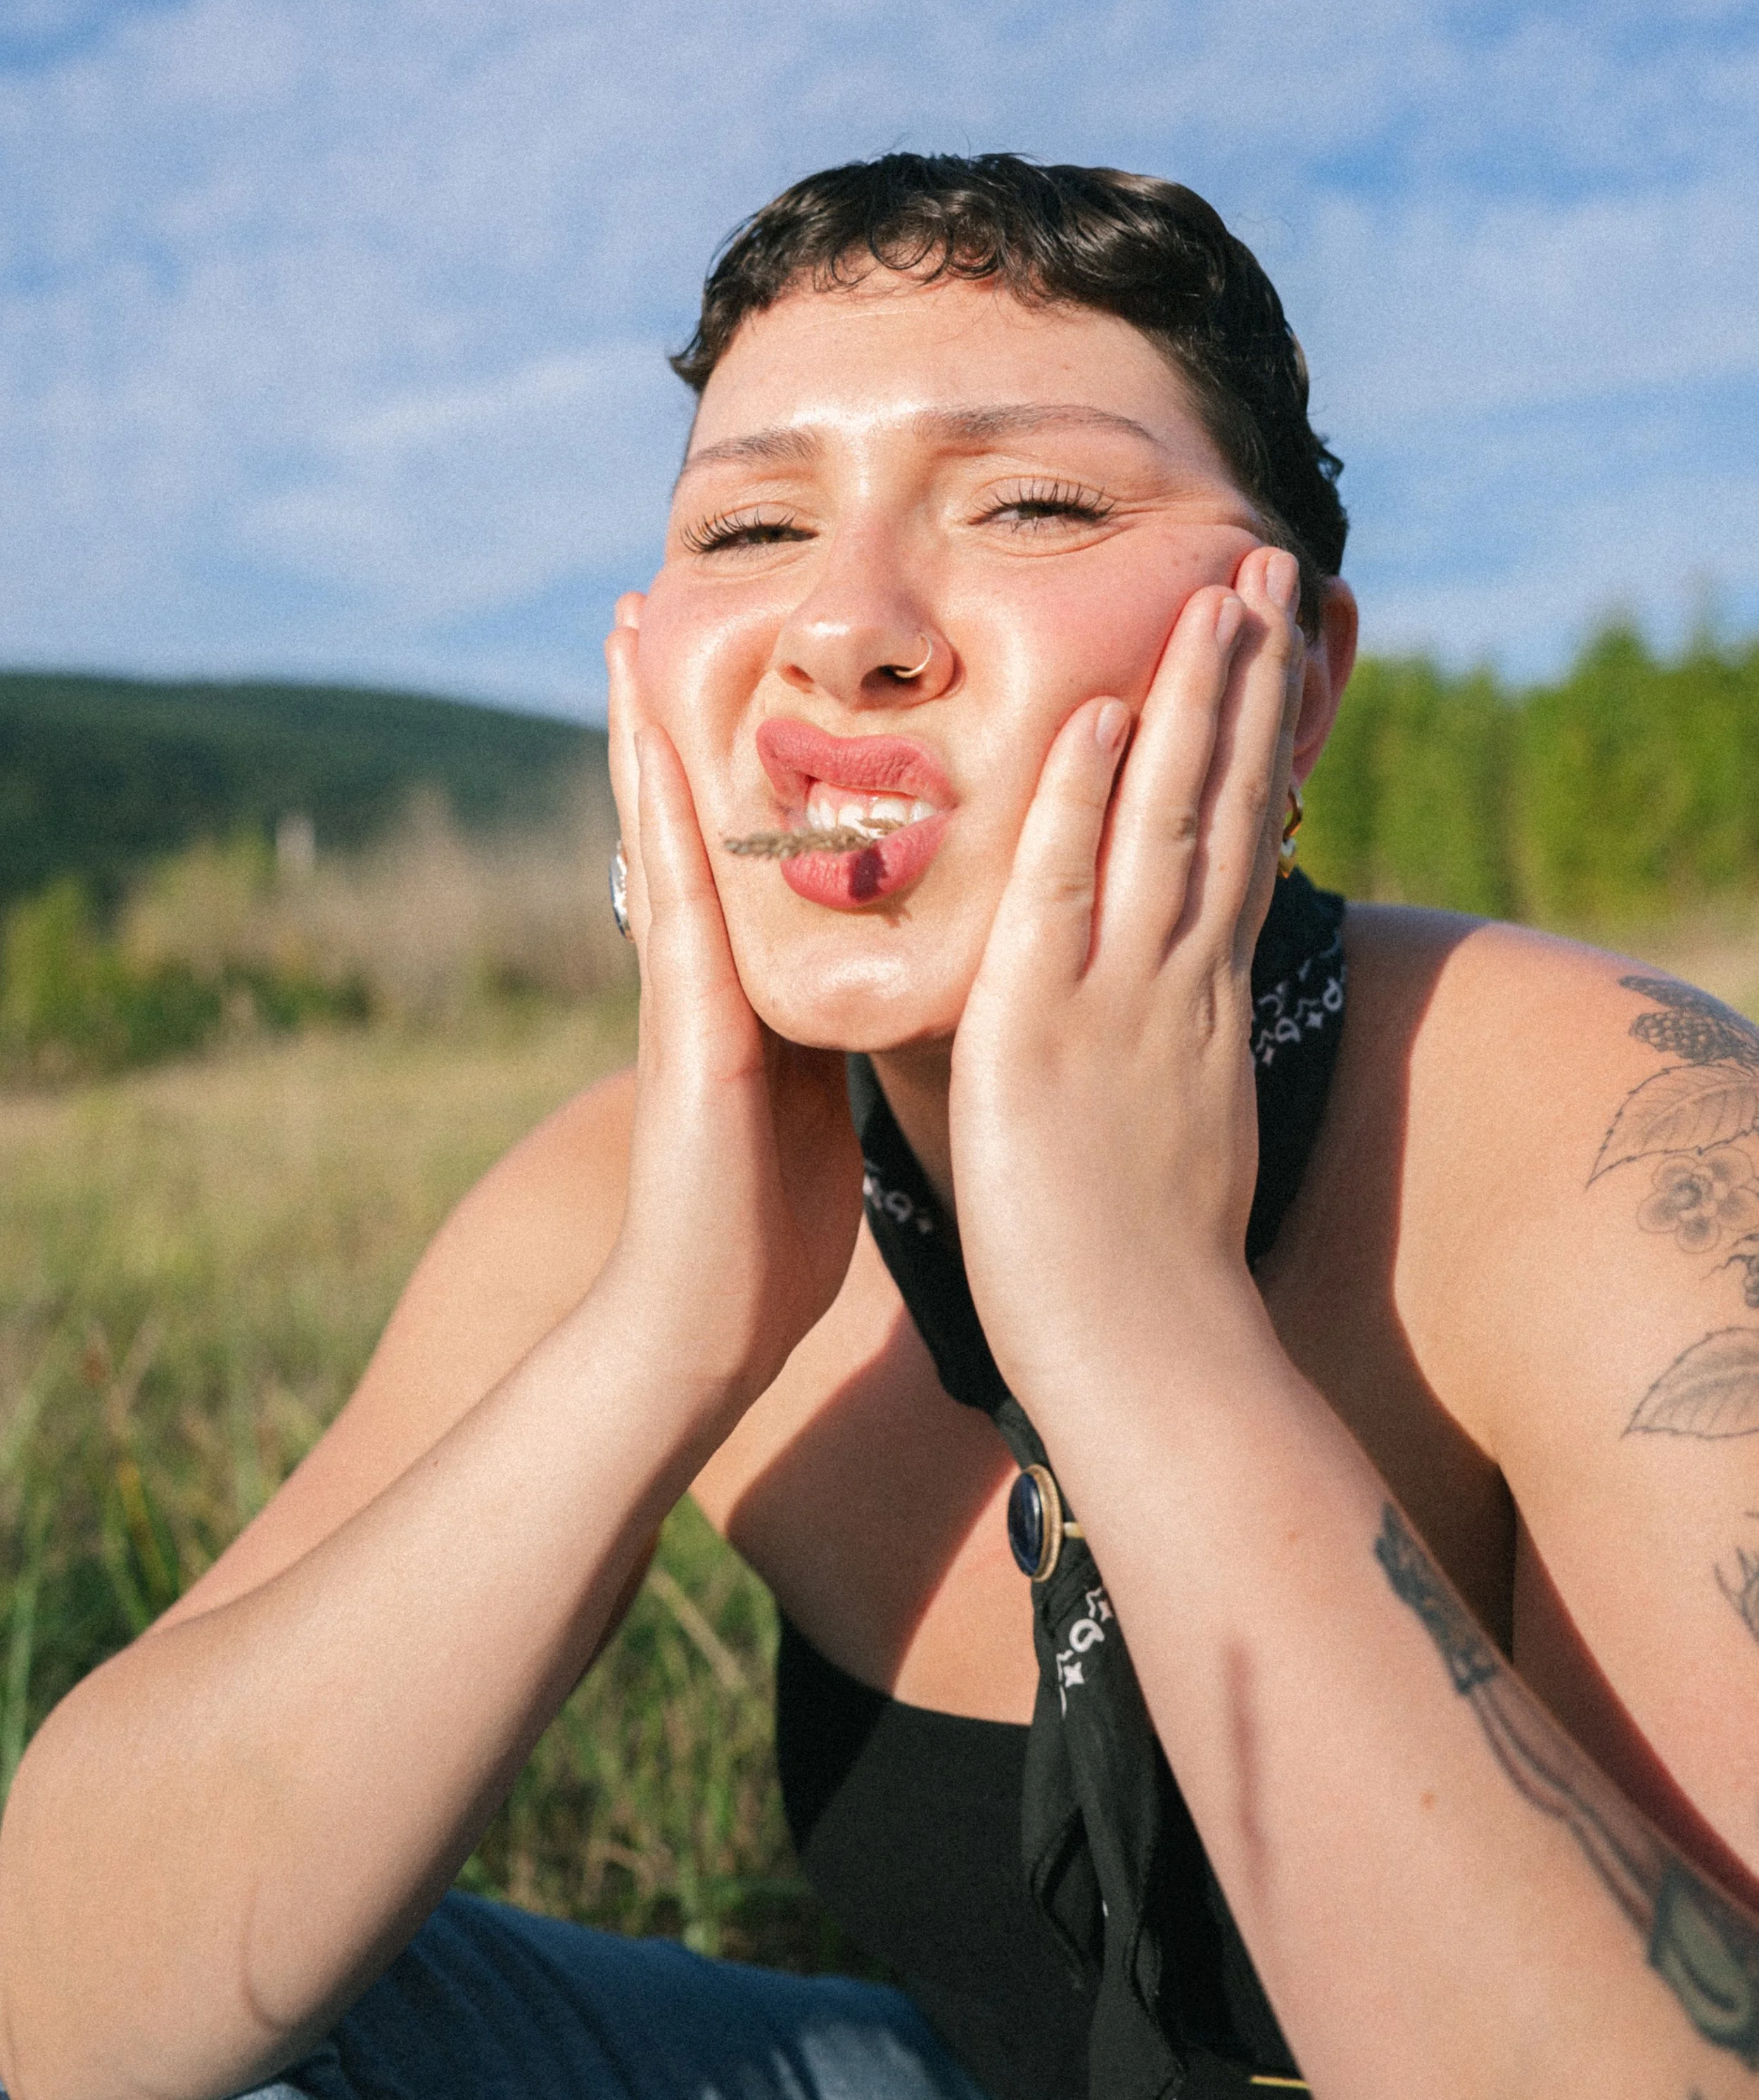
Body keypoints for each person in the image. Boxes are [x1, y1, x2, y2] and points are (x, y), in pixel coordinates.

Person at [2, 153, 1758, 2100]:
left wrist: (1140, 1333)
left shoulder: (1630, 1152)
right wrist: (674, 1325)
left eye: (1029, 502)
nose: (845, 630)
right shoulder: (622, 1203)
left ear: (1303, 680)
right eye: (749, 528)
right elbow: (56, 2013)